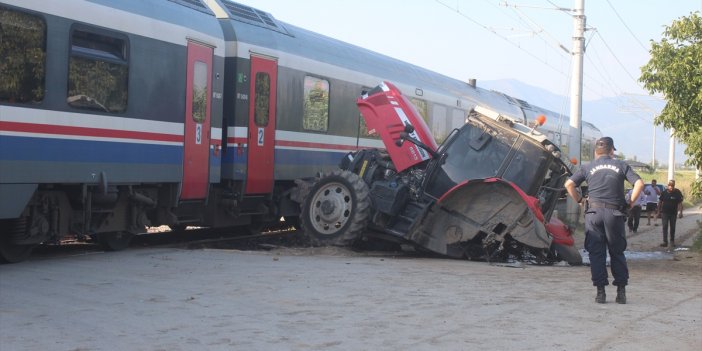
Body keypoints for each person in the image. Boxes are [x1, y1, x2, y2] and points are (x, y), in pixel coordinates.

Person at [565, 137, 644, 304]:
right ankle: (621, 292)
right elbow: (639, 184)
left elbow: (569, 185)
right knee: (617, 252)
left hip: (593, 213)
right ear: (612, 151)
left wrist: (579, 201)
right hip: (615, 214)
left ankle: (600, 293)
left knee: (596, 254)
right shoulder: (621, 165)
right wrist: (630, 202)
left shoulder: (587, 166)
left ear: (596, 151)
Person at [658, 179, 684, 249]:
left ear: (674, 186)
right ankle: (665, 242)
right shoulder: (664, 193)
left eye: (672, 186)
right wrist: (658, 212)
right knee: (665, 227)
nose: (671, 187)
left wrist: (681, 212)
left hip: (673, 213)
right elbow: (660, 202)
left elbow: (680, 203)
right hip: (664, 213)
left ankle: (672, 241)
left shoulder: (677, 192)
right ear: (668, 186)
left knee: (673, 227)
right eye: (670, 186)